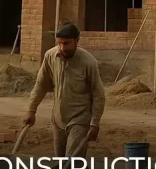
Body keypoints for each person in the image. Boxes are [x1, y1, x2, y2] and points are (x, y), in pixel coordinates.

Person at [24, 21, 106, 159]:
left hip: (80, 119)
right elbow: (41, 84)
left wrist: (94, 123)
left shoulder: (88, 62)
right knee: (60, 162)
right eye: (59, 43)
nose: (62, 48)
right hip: (58, 119)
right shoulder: (50, 56)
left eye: (67, 43)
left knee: (72, 161)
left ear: (77, 41)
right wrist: (31, 110)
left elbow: (98, 94)